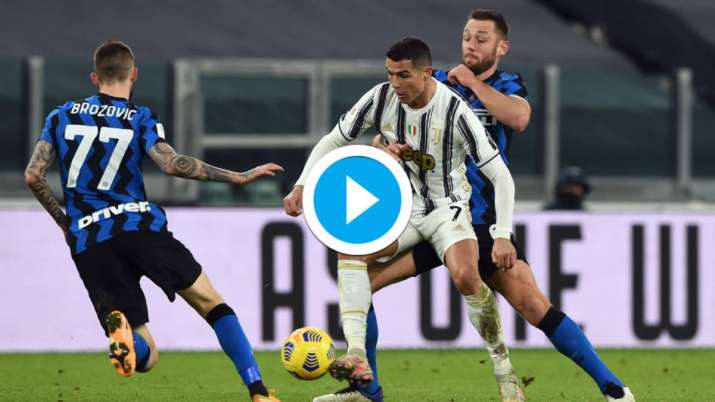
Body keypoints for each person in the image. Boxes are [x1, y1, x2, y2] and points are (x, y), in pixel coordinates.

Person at [318, 10, 635, 402]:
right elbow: (384, 135)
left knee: (533, 305)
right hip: (428, 213)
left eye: (481, 39)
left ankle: (613, 388)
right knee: (360, 282)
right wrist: (385, 149)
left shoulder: (506, 85)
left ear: (501, 47)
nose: (471, 45)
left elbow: (519, 117)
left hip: (481, 219)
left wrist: (470, 82)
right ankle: (368, 391)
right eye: (467, 37)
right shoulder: (431, 83)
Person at [23, 40, 283, 402]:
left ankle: (127, 340)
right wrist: (238, 177)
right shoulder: (139, 117)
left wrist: (66, 224)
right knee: (211, 304)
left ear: (95, 77)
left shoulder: (60, 115)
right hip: (139, 228)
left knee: (146, 354)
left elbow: (33, 176)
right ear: (134, 74)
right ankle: (258, 391)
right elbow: (172, 164)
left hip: (90, 241)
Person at [312, 9, 531, 402]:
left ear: (426, 74)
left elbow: (502, 175)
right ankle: (357, 359)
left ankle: (505, 373)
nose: (394, 83)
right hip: (406, 210)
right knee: (352, 252)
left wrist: (502, 233)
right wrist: (302, 184)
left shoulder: (456, 110)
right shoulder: (381, 98)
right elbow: (335, 140)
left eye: (403, 75)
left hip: (449, 210)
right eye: (390, 74)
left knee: (466, 277)